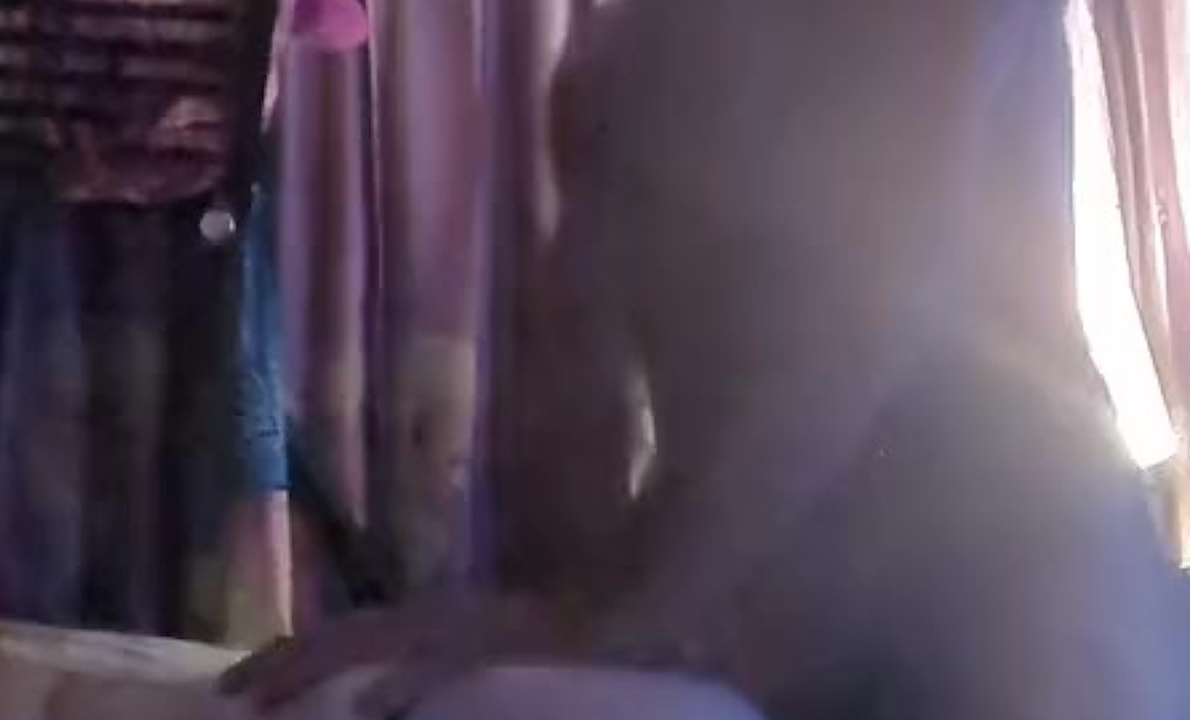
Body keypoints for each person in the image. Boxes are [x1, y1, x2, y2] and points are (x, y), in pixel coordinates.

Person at [221, 1, 1190, 719]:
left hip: (1014, 620)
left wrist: (625, 617)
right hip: (766, 608)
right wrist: (527, 610)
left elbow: (857, 314)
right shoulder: (628, 57)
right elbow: (572, 380)